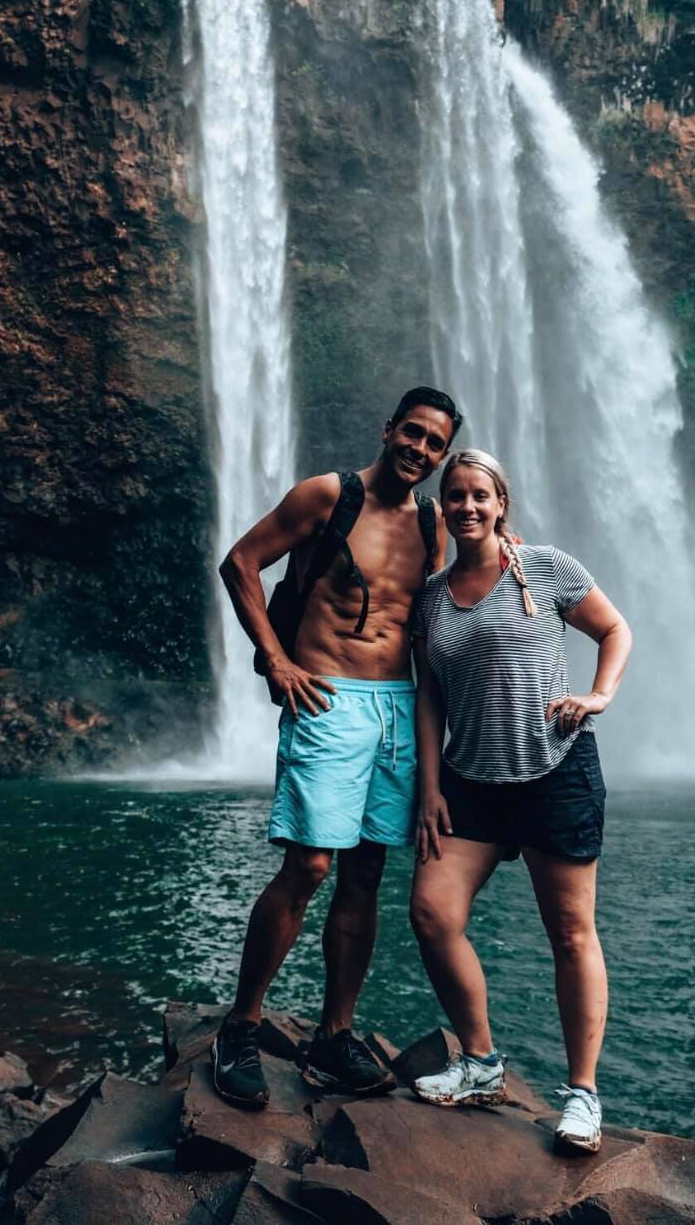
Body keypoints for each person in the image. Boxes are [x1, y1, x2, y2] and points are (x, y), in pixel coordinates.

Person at [212, 386, 461, 1108]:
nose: (418, 448)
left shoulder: (432, 522)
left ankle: (334, 1036)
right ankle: (241, 1025)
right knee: (310, 864)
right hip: (325, 695)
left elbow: (431, 627)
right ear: (387, 430)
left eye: (433, 443)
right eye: (410, 433)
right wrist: (276, 660)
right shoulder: (327, 495)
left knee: (364, 874)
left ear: (441, 457)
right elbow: (240, 563)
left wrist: (437, 750)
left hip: (395, 708)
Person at [409, 448, 631, 1154]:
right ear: (441, 509)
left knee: (569, 933)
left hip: (553, 769)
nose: (467, 506)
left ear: (500, 502)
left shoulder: (545, 568)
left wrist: (598, 696)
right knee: (430, 912)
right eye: (455, 496)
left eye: (480, 495)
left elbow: (613, 628)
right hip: (470, 782)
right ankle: (478, 1063)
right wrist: (429, 788)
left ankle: (583, 1096)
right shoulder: (432, 596)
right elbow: (429, 695)